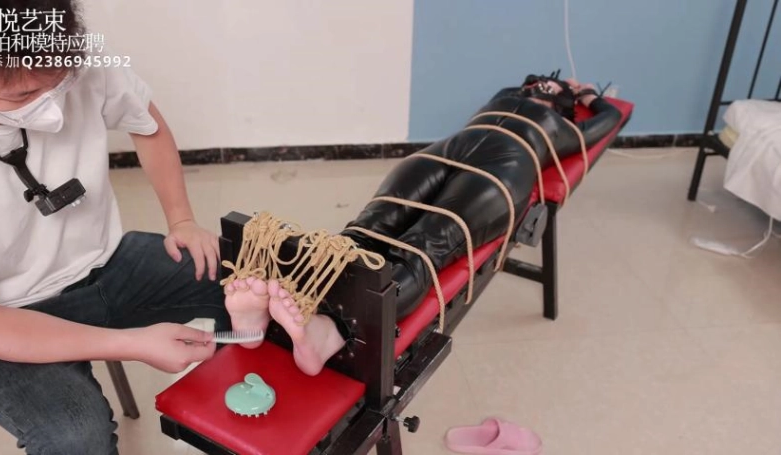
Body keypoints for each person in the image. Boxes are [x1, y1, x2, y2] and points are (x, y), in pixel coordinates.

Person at [0, 1, 241, 453]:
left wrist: (182, 219)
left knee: (247, 280)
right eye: (22, 96)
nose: (50, 105)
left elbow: (147, 123)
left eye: (59, 83)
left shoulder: (78, 58)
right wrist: (133, 344)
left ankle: (251, 413)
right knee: (77, 439)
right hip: (6, 315)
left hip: (107, 264)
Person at [224, 73, 623, 377]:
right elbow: (521, 85)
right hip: (447, 150)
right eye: (541, 81)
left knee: (423, 245)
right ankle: (272, 316)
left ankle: (331, 333)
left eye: (557, 88)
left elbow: (610, 118)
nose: (546, 85)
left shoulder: (563, 129)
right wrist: (548, 86)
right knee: (367, 228)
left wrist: (587, 94)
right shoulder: (505, 98)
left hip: (506, 165)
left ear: (569, 105)